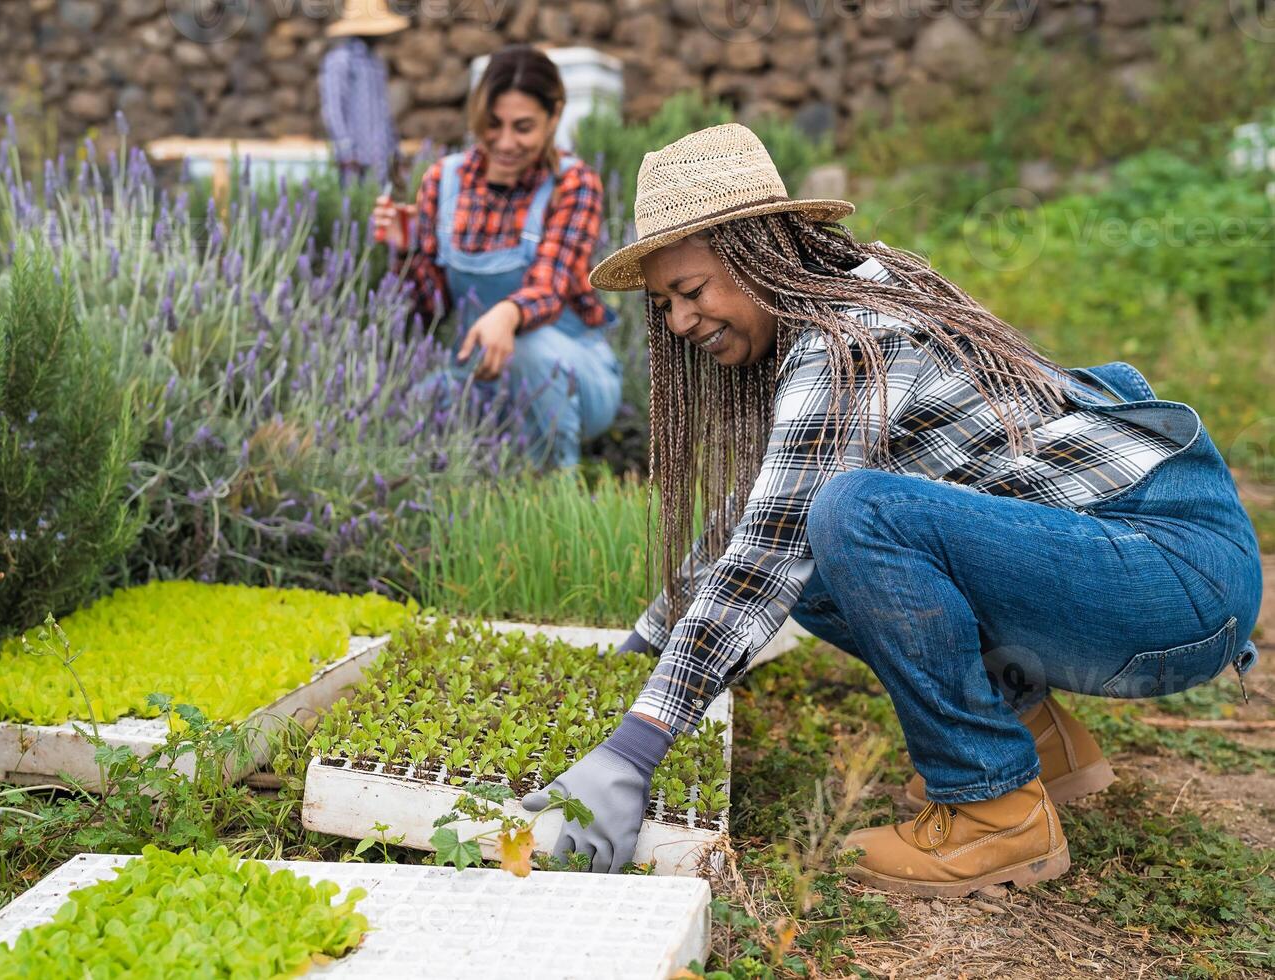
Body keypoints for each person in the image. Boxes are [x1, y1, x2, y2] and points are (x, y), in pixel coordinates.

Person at [522, 124, 1263, 894]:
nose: (677, 323)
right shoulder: (832, 311)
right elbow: (755, 521)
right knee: (814, 548)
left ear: (754, 255)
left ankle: (993, 812)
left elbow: (762, 560)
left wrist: (635, 749)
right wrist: (635, 660)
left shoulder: (847, 342)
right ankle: (1033, 741)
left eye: (691, 292)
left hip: (1172, 578)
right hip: (1136, 571)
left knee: (853, 514)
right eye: (664, 303)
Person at [373, 45, 622, 470]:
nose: (505, 142)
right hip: (479, 374)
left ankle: (555, 496)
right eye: (492, 125)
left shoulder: (572, 183)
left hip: (572, 375)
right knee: (406, 413)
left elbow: (549, 288)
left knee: (528, 352)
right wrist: (405, 249)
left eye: (523, 127)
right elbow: (430, 310)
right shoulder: (443, 180)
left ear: (554, 117)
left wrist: (506, 316)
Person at [320, 0, 406, 184]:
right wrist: (346, 151)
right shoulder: (340, 61)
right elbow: (333, 110)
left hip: (380, 158)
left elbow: (383, 111)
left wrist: (394, 150)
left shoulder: (375, 62)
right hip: (355, 160)